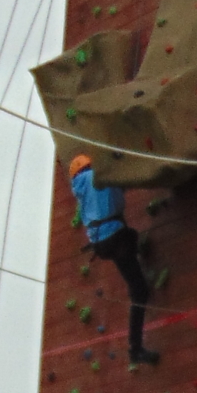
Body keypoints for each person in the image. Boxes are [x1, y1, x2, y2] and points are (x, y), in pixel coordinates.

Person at [67, 152, 158, 366]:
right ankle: (135, 349)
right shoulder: (98, 175)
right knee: (139, 291)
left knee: (131, 239)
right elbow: (118, 177)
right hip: (116, 237)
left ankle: (135, 349)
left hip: (103, 243)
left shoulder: (82, 189)